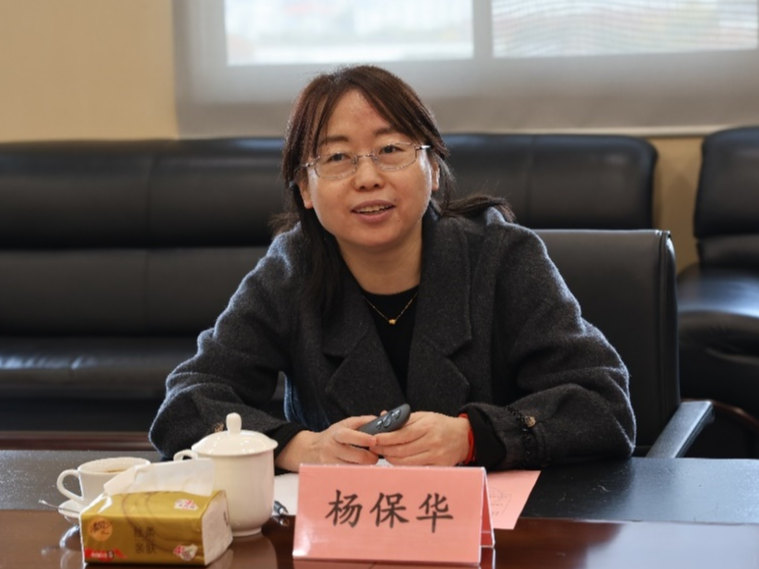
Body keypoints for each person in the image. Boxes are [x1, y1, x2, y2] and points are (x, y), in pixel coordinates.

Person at [149, 65, 635, 471]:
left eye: (390, 150)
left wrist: (474, 437)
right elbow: (186, 404)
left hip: (499, 534)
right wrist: (299, 447)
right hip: (343, 533)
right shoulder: (291, 271)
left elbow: (604, 404)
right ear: (305, 189)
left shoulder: (503, 257)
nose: (367, 177)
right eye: (337, 157)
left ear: (433, 167)